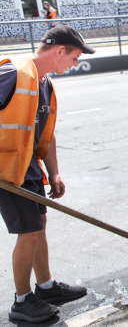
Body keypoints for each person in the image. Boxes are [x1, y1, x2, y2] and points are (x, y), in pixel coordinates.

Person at [0, 25, 94, 323]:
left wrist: (53, 173)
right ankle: (22, 302)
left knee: (38, 224)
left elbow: (47, 134)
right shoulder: (13, 73)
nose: (75, 63)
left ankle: (46, 287)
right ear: (59, 51)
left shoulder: (44, 83)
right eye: (75, 56)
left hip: (28, 169)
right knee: (29, 232)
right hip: (6, 173)